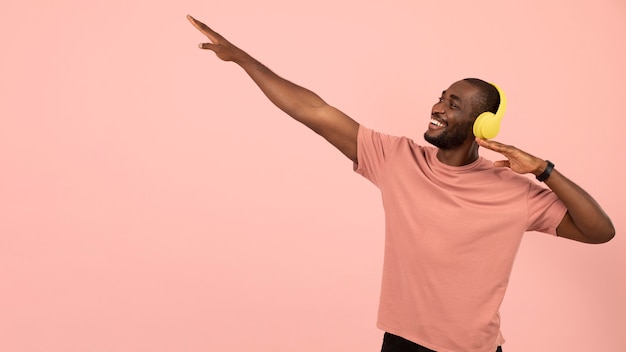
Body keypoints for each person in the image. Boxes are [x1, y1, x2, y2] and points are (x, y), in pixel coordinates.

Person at [186, 15, 615, 352]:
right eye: (441, 96)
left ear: (481, 123)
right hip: (401, 342)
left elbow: (601, 232)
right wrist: (244, 60)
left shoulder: (512, 191)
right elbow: (313, 110)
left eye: (453, 103)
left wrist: (544, 169)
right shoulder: (396, 158)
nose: (437, 107)